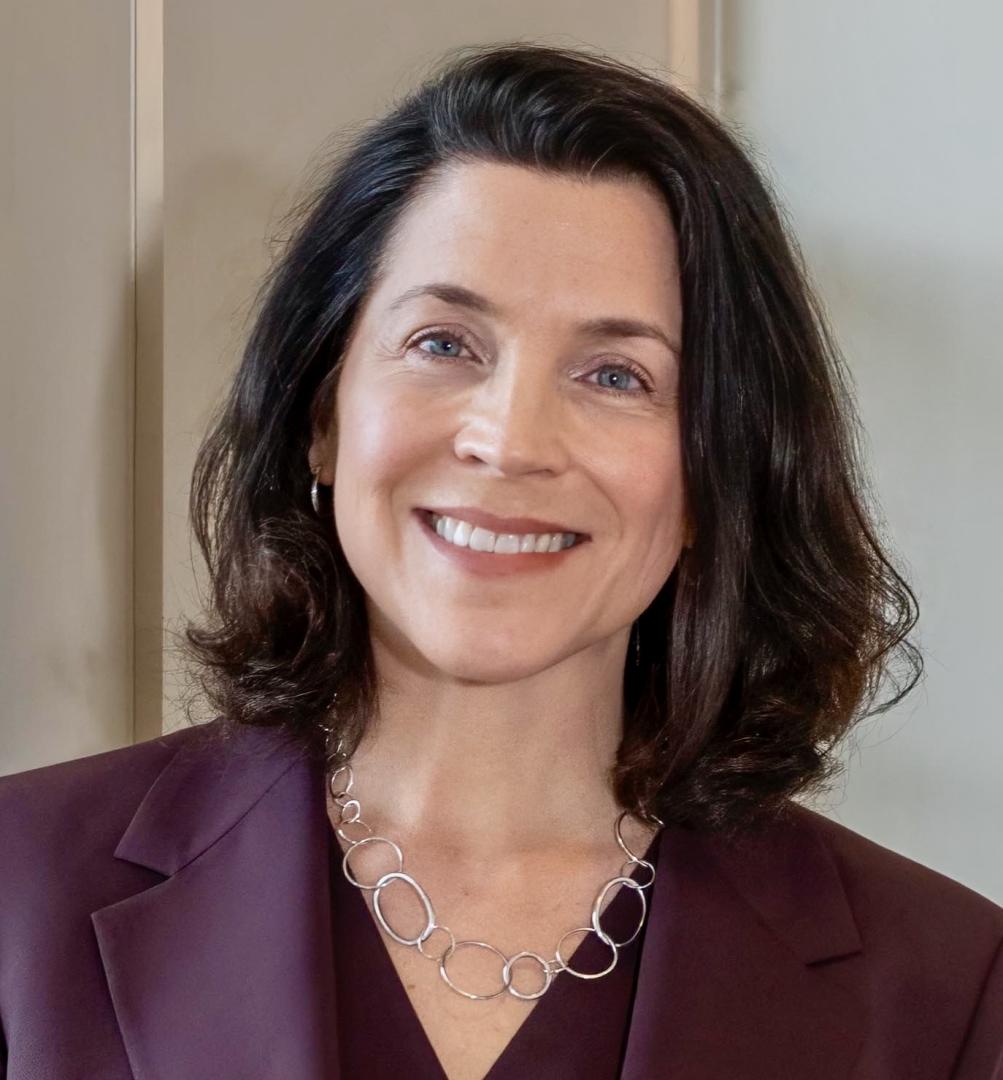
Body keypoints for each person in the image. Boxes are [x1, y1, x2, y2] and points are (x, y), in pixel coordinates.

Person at [1, 41, 1000, 1080]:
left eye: (615, 375)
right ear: (321, 416)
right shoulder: (16, 898)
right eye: (444, 344)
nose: (510, 440)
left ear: (715, 472)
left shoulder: (942, 993)